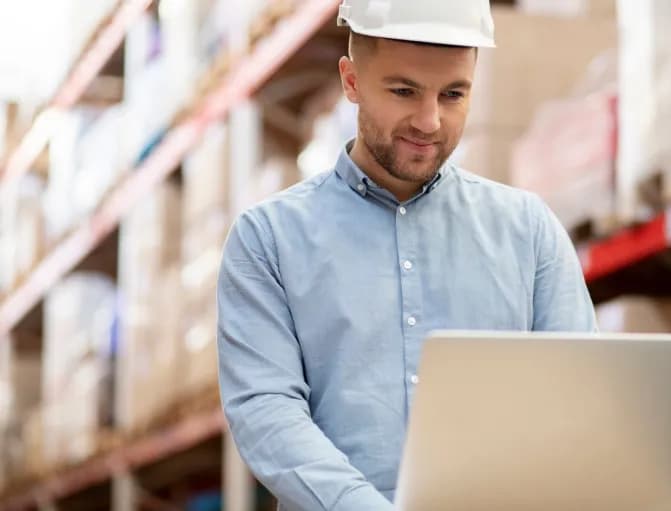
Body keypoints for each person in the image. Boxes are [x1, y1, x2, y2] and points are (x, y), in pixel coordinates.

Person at [217, 0, 597, 509]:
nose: (430, 121)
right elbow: (266, 411)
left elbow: (576, 399)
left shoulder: (529, 233)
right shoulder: (267, 241)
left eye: (454, 94)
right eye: (404, 91)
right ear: (351, 81)